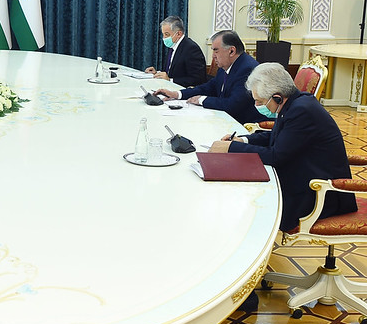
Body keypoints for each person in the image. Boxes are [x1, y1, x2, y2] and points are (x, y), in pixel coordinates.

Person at [209, 63, 357, 232]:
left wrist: (231, 148)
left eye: (260, 101)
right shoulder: (294, 104)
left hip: (320, 194)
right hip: (304, 177)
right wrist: (242, 140)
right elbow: (277, 137)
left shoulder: (302, 111)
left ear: (277, 97)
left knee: (250, 204)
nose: (256, 105)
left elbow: (275, 156)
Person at [155, 30, 266, 124]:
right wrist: (177, 94)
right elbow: (209, 87)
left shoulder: (247, 69)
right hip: (226, 119)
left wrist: (202, 100)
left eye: (216, 51)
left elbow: (232, 105)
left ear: (231, 51)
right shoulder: (226, 65)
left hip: (245, 126)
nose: (213, 56)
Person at [144, 15, 206, 87]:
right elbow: (170, 72)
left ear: (179, 34)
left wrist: (170, 80)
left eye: (167, 34)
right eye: (163, 34)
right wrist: (157, 73)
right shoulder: (173, 45)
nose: (164, 38)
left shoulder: (191, 48)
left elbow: (198, 79)